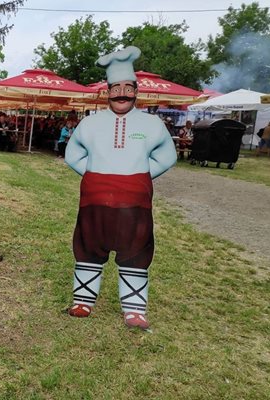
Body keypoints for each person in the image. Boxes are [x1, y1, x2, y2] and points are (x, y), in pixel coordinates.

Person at [64, 46, 177, 330]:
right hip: (94, 199)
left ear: (137, 90)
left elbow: (167, 156)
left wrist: (139, 176)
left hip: (136, 203)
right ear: (108, 91)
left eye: (128, 87)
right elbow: (72, 154)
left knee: (136, 252)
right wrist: (93, 174)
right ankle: (83, 301)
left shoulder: (152, 124)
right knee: (88, 247)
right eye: (116, 88)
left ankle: (135, 310)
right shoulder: (90, 123)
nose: (122, 93)